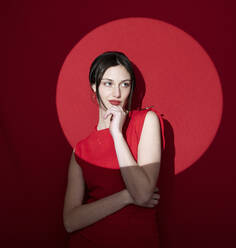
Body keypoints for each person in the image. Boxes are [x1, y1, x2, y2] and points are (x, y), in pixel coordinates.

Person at [63, 51, 165, 248]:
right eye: (108, 83)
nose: (117, 93)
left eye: (124, 84)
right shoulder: (81, 151)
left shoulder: (146, 122)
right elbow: (70, 221)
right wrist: (126, 196)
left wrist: (117, 134)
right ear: (94, 86)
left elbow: (143, 194)